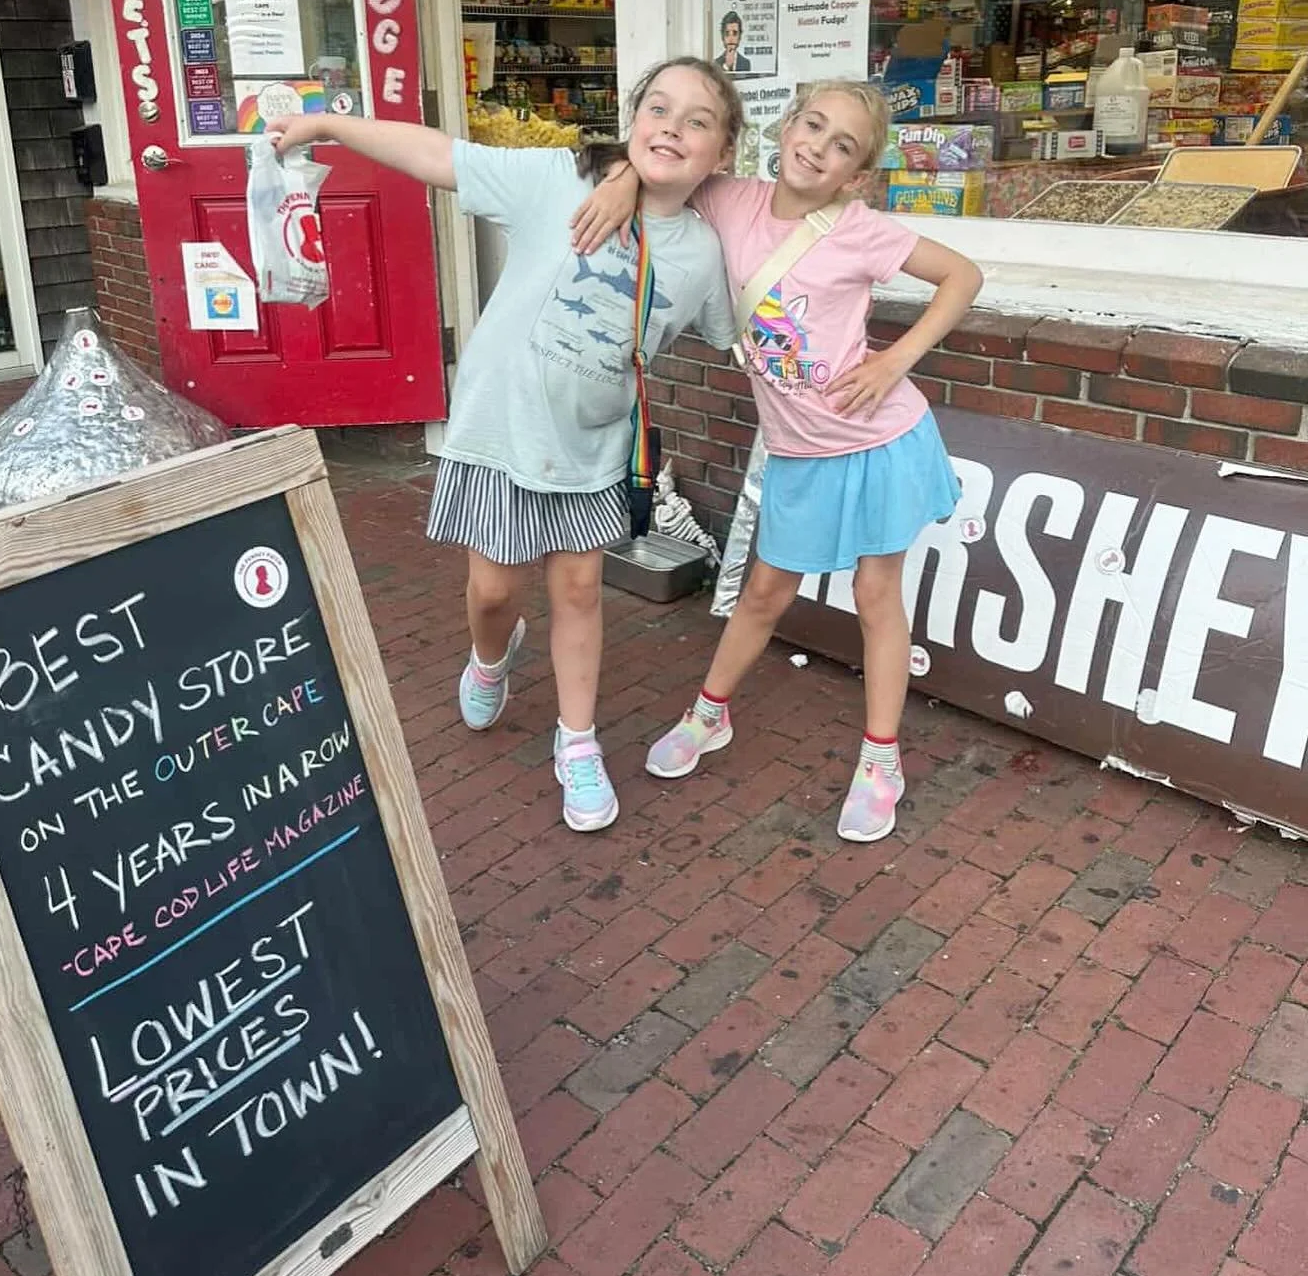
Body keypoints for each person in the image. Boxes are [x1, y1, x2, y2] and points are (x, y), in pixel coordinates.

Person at [268, 60, 739, 834]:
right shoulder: (556, 180)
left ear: (721, 155)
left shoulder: (703, 254)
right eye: (659, 109)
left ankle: (577, 742)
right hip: (499, 433)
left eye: (698, 121)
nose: (673, 129)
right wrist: (327, 127)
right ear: (631, 120)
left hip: (590, 451)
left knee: (581, 592)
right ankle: (492, 656)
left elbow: (742, 310)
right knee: (494, 592)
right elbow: (436, 154)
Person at [572, 80, 983, 843]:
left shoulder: (860, 230)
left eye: (841, 147)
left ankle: (881, 761)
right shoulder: (732, 200)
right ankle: (709, 715)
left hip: (881, 441)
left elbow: (964, 276)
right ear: (785, 126)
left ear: (855, 175)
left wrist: (895, 363)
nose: (817, 148)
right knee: (762, 593)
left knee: (875, 593)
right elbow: (666, 166)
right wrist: (625, 175)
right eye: (812, 126)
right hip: (799, 451)